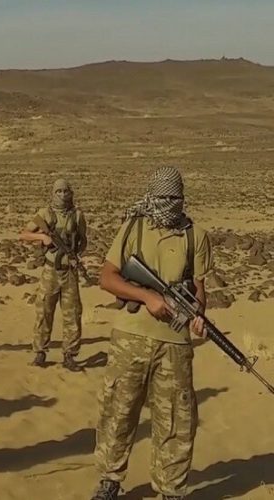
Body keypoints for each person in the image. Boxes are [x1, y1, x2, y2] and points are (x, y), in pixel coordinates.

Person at [91, 166, 212, 500]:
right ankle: (109, 480)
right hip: (130, 337)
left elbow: (199, 292)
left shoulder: (196, 236)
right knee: (118, 410)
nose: (168, 205)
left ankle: (171, 488)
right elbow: (107, 277)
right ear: (152, 197)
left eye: (175, 198)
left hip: (175, 344)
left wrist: (197, 316)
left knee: (176, 418)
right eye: (163, 198)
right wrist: (147, 297)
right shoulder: (134, 227)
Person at [19, 179, 87, 371]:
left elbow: (83, 240)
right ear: (53, 193)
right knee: (44, 312)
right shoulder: (45, 214)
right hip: (50, 271)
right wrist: (42, 237)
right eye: (58, 191)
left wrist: (76, 256)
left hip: (69, 272)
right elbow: (23, 234)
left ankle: (70, 355)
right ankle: (40, 352)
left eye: (66, 191)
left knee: (73, 314)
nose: (62, 195)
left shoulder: (78, 215)